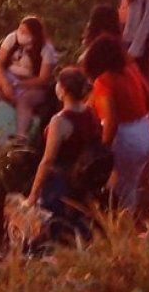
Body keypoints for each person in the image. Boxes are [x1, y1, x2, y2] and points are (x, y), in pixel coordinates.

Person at [83, 35, 149, 211]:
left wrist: (102, 148)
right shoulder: (131, 68)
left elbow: (111, 121)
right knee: (129, 184)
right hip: (146, 131)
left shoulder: (104, 81)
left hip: (126, 137)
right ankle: (128, 225)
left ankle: (114, 228)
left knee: (115, 188)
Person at [25, 67, 103, 228]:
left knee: (55, 228)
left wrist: (33, 195)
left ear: (64, 90)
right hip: (81, 181)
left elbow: (47, 161)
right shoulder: (90, 112)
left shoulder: (59, 121)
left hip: (59, 183)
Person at [0, 16, 59, 143]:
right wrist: (5, 83)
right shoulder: (12, 39)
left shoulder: (46, 50)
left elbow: (43, 79)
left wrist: (19, 84)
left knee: (25, 101)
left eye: (25, 32)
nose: (21, 34)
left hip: (32, 84)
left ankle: (20, 137)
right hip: (9, 77)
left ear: (34, 36)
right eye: (20, 30)